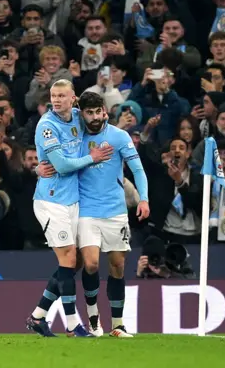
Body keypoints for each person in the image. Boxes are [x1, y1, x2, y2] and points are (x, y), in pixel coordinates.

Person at [26, 79, 112, 338]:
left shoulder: (77, 116)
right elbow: (61, 166)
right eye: (53, 95)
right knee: (68, 260)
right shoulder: (47, 126)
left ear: (73, 98)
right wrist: (92, 158)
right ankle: (73, 324)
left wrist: (107, 118)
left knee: (73, 264)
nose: (57, 100)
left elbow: (98, 125)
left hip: (73, 200)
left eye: (62, 95)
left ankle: (38, 317)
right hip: (51, 201)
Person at [74, 92, 150, 338]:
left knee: (117, 266)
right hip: (86, 211)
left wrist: (144, 198)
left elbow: (137, 169)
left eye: (98, 112)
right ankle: (94, 318)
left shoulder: (119, 137)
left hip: (115, 212)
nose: (95, 117)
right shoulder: (75, 138)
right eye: (89, 113)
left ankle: (117, 325)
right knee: (91, 263)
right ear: (81, 113)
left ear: (104, 110)